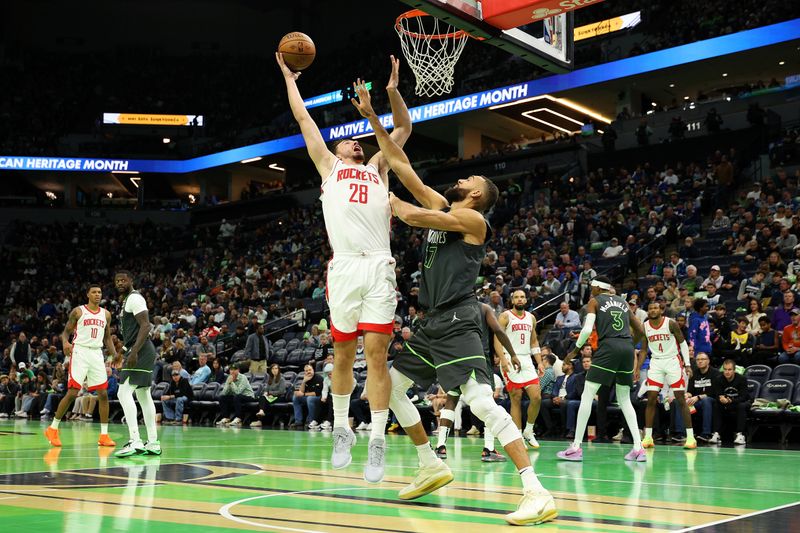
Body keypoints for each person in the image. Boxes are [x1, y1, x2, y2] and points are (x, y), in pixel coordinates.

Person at [351, 81, 555, 525]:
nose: (462, 177)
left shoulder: (472, 218)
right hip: (432, 323)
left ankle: (535, 490)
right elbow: (402, 164)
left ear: (478, 193)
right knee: (384, 388)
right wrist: (373, 117)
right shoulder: (447, 202)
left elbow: (417, 214)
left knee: (481, 403)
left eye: (470, 179)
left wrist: (385, 200)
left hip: (461, 319)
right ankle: (430, 463)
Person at [277, 53, 412, 484]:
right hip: (344, 270)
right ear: (336, 149)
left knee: (377, 356)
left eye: (360, 141)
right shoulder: (329, 167)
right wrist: (288, 78)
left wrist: (391, 92)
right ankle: (340, 429)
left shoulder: (378, 166)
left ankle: (376, 438)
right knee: (341, 354)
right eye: (350, 140)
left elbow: (404, 129)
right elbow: (303, 119)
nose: (358, 143)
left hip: (378, 266)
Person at [558, 276, 647, 462]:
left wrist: (573, 352)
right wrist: (630, 345)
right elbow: (640, 330)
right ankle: (638, 449)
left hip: (608, 348)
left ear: (599, 288)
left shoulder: (594, 301)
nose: (591, 290)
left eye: (592, 287)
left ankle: (575, 447)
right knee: (625, 399)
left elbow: (586, 329)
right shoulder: (623, 302)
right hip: (627, 348)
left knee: (587, 394)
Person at [436, 302, 521, 463]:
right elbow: (498, 330)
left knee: (451, 401)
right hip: (478, 359)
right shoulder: (483, 308)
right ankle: (488, 449)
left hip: (455, 359)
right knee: (488, 402)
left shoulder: (450, 308)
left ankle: (440, 446)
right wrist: (512, 354)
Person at [44, 283, 117, 448]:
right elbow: (66, 332)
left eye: (99, 292)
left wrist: (114, 354)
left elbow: (107, 338)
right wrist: (65, 343)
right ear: (88, 294)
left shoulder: (106, 314)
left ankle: (104, 435)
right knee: (72, 393)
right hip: (80, 351)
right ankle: (53, 428)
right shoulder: (78, 311)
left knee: (103, 394)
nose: (97, 294)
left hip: (97, 353)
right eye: (94, 292)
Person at [114, 271, 161, 457]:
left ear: (131, 281)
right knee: (143, 394)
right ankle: (153, 442)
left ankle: (135, 441)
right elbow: (132, 334)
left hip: (141, 351)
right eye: (117, 281)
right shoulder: (126, 301)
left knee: (123, 391)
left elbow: (146, 326)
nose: (120, 283)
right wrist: (122, 352)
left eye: (123, 280)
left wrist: (133, 352)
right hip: (139, 350)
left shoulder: (135, 298)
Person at [639, 302, 696, 450]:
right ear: (647, 311)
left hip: (672, 361)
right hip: (656, 362)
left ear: (661, 310)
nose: (653, 310)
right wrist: (637, 368)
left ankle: (690, 438)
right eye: (650, 308)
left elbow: (683, 343)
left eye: (655, 308)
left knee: (680, 399)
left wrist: (687, 364)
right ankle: (648, 437)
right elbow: (644, 349)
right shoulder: (645, 326)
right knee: (651, 398)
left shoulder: (670, 323)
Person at [496, 290, 543, 448]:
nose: (520, 299)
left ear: (526, 299)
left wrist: (540, 362)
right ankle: (517, 435)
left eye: (522, 297)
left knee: (536, 397)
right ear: (512, 300)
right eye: (516, 297)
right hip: (510, 358)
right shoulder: (505, 316)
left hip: (527, 359)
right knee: (516, 397)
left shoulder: (531, 318)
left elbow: (534, 341)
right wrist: (502, 359)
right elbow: (497, 339)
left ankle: (528, 431)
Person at [714, 359, 749, 446]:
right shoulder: (718, 379)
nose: (727, 372)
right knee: (716, 404)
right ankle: (716, 434)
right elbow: (717, 394)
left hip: (740, 402)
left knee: (741, 406)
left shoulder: (742, 379)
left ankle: (740, 434)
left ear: (734, 370)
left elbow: (744, 397)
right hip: (726, 403)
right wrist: (720, 398)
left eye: (729, 369)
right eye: (725, 369)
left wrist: (731, 400)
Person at [686, 352, 719, 443]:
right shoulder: (694, 373)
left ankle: (706, 433)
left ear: (708, 361)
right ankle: (682, 433)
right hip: (696, 401)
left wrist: (699, 397)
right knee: (682, 402)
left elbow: (715, 392)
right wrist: (687, 395)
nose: (700, 361)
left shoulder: (715, 373)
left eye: (703, 359)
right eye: (698, 360)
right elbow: (690, 391)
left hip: (711, 400)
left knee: (706, 400)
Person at [292, 364, 324, 430]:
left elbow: (317, 393)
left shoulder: (318, 378)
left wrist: (303, 394)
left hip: (319, 397)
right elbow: (301, 391)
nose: (308, 372)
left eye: (310, 370)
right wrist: (304, 381)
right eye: (306, 371)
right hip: (309, 396)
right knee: (295, 398)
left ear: (313, 370)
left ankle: (311, 421)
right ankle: (298, 421)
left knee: (310, 399)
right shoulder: (306, 378)